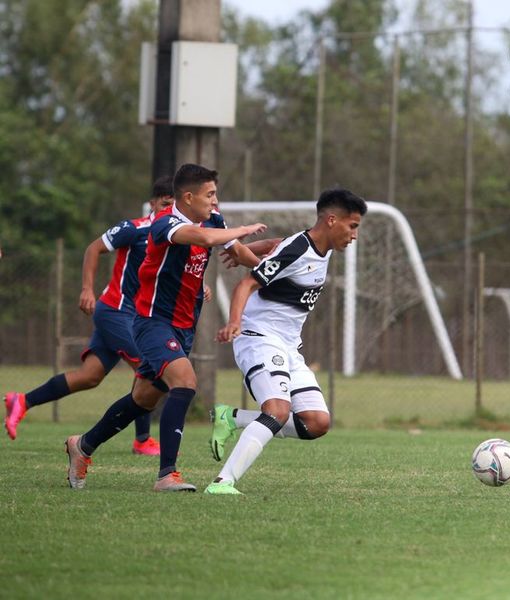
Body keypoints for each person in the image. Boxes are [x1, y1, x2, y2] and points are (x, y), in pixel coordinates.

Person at [64, 163, 268, 492]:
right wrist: (242, 228)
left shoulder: (214, 219)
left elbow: (237, 252)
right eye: (210, 194)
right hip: (152, 322)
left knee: (143, 398)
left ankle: (82, 446)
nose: (216, 201)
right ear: (188, 197)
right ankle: (166, 474)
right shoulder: (165, 224)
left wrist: (274, 271)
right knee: (185, 382)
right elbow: (204, 238)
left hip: (184, 326)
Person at [205, 188, 368, 495]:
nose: (354, 234)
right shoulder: (299, 249)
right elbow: (246, 283)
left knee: (317, 422)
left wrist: (252, 246)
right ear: (332, 220)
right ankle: (222, 483)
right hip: (258, 338)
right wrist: (235, 323)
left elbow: (277, 246)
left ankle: (232, 417)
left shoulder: (323, 246)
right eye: (353, 226)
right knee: (278, 411)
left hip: (289, 346)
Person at [4, 176, 175, 455]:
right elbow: (93, 248)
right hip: (116, 311)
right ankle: (142, 440)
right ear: (153, 203)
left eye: (174, 206)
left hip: (134, 316)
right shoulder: (135, 229)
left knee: (89, 376)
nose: (169, 210)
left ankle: (22, 401)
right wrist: (86, 288)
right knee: (149, 368)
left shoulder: (172, 236)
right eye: (165, 204)